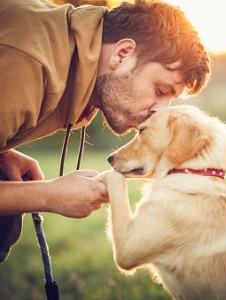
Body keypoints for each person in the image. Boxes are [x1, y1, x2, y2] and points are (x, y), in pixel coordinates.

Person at [0, 0, 210, 262]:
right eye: (159, 90)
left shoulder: (76, 63)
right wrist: (48, 195)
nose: (160, 111)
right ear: (122, 54)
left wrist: (4, 152)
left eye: (170, 100)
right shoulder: (31, 62)